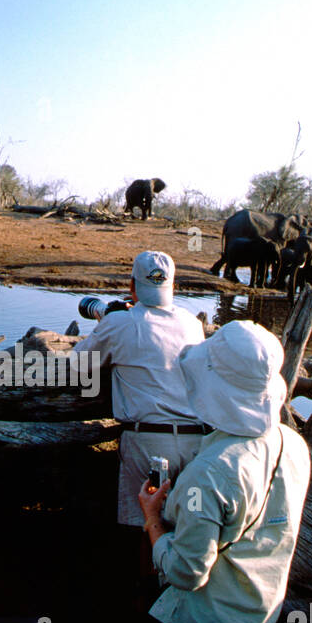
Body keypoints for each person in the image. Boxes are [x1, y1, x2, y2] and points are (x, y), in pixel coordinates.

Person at [137, 319, 312, 623]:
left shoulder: (212, 473)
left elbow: (188, 573)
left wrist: (154, 523)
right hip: (260, 621)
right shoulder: (292, 446)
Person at [72, 250, 206, 590]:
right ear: (173, 285)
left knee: (145, 527)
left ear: (132, 285)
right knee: (184, 527)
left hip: (148, 444)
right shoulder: (192, 323)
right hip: (196, 445)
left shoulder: (120, 322)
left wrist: (106, 322)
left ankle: (145, 611)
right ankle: (179, 603)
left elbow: (78, 365)